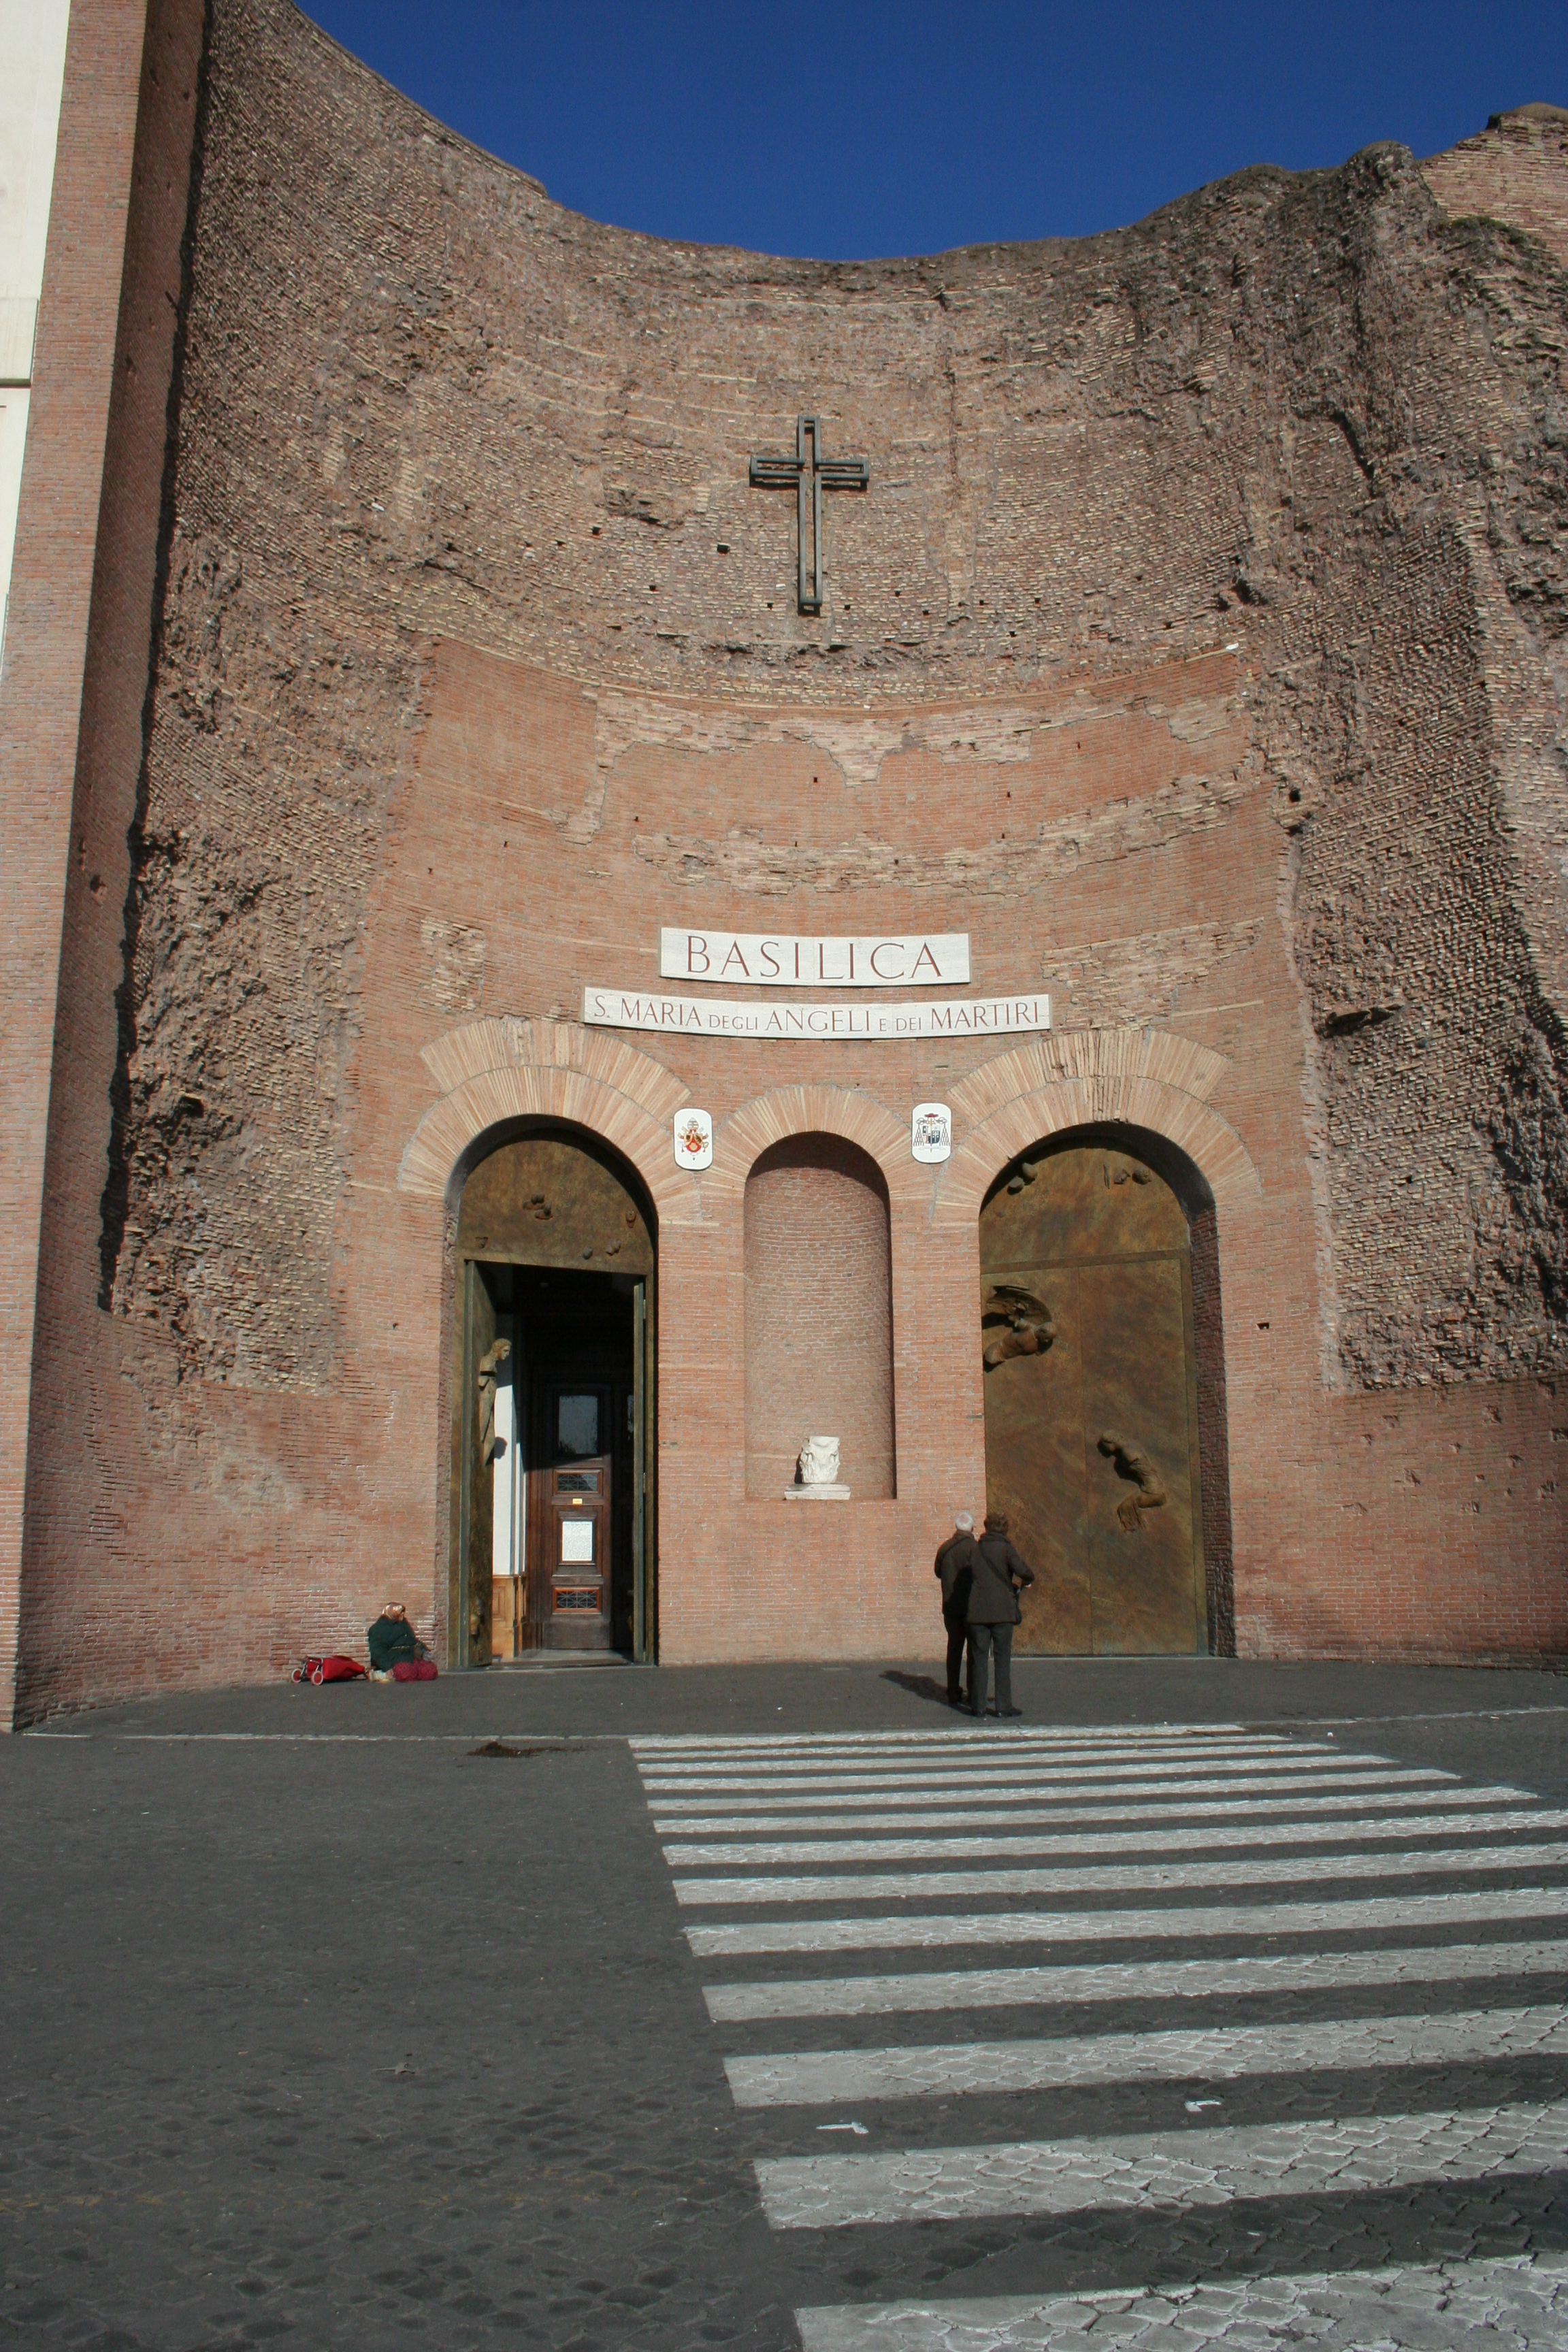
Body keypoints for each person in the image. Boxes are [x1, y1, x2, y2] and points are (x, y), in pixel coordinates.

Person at [966, 1512, 1035, 1720]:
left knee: (979, 1659)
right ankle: (1003, 1706)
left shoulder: (976, 1549)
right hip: (1002, 1611)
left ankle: (977, 1707)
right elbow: (1023, 1570)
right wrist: (1028, 1579)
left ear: (987, 1527)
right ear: (1004, 1528)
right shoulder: (1006, 1548)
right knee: (1002, 1659)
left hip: (977, 1611)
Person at [933, 1511, 979, 1708]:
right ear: (973, 1529)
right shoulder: (976, 1549)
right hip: (972, 1607)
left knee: (954, 1649)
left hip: (951, 1607)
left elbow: (937, 1572)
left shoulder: (945, 1548)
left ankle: (953, 1690)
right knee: (974, 1650)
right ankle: (973, 1690)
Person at [367, 1601, 438, 1682]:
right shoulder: (378, 1628)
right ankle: (383, 1675)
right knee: (404, 1673)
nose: (402, 1615)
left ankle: (409, 1675)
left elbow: (412, 1640)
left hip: (410, 1657)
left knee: (431, 1671)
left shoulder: (404, 1624)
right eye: (400, 1613)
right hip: (395, 1660)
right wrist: (387, 1667)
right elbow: (377, 1651)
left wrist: (424, 1651)